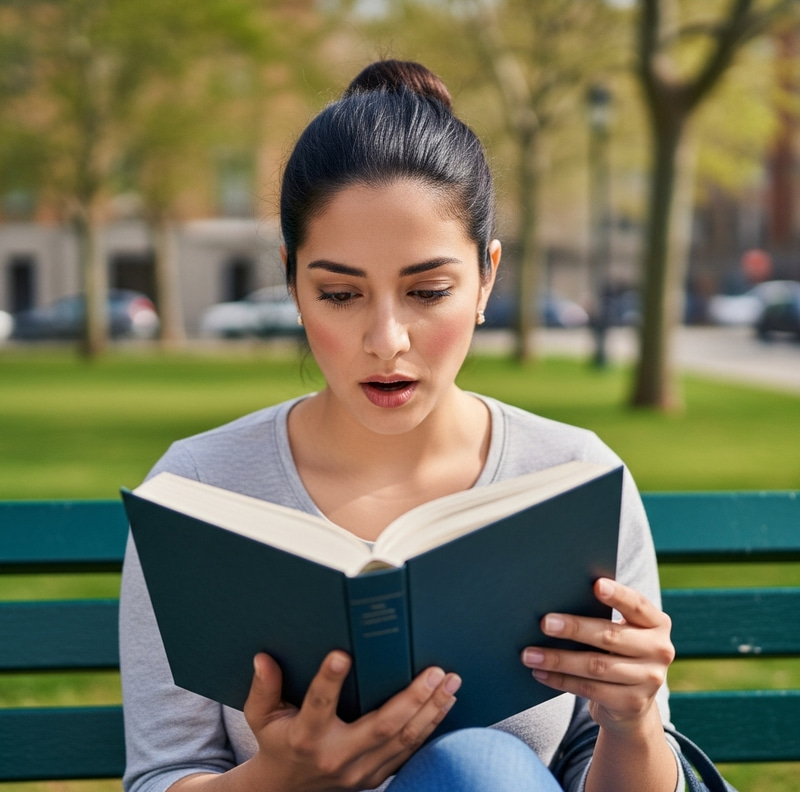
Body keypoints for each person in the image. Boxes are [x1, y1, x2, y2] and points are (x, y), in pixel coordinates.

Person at [120, 59, 682, 792]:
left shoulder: (572, 477)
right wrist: (277, 781)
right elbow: (164, 773)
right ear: (292, 282)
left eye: (427, 290)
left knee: (480, 770)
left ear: (486, 277)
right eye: (340, 293)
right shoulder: (198, 489)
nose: (387, 339)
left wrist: (634, 721)